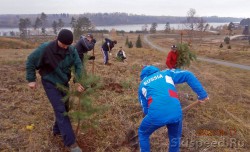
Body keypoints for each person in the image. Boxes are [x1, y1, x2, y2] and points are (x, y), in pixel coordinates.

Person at [26, 29, 84, 152]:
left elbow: (78, 65)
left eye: (67, 45)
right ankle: (71, 143)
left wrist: (78, 81)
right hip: (50, 82)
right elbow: (31, 60)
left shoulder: (71, 50)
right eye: (63, 44)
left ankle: (56, 130)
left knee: (65, 108)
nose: (65, 47)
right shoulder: (46, 48)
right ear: (57, 39)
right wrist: (31, 79)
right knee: (60, 110)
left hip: (63, 82)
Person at [138, 65, 209, 152]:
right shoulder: (166, 73)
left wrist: (153, 121)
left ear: (143, 76)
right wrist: (202, 94)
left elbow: (145, 109)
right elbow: (187, 75)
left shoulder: (142, 85)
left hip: (156, 115)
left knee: (143, 133)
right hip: (176, 112)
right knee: (174, 138)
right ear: (155, 70)